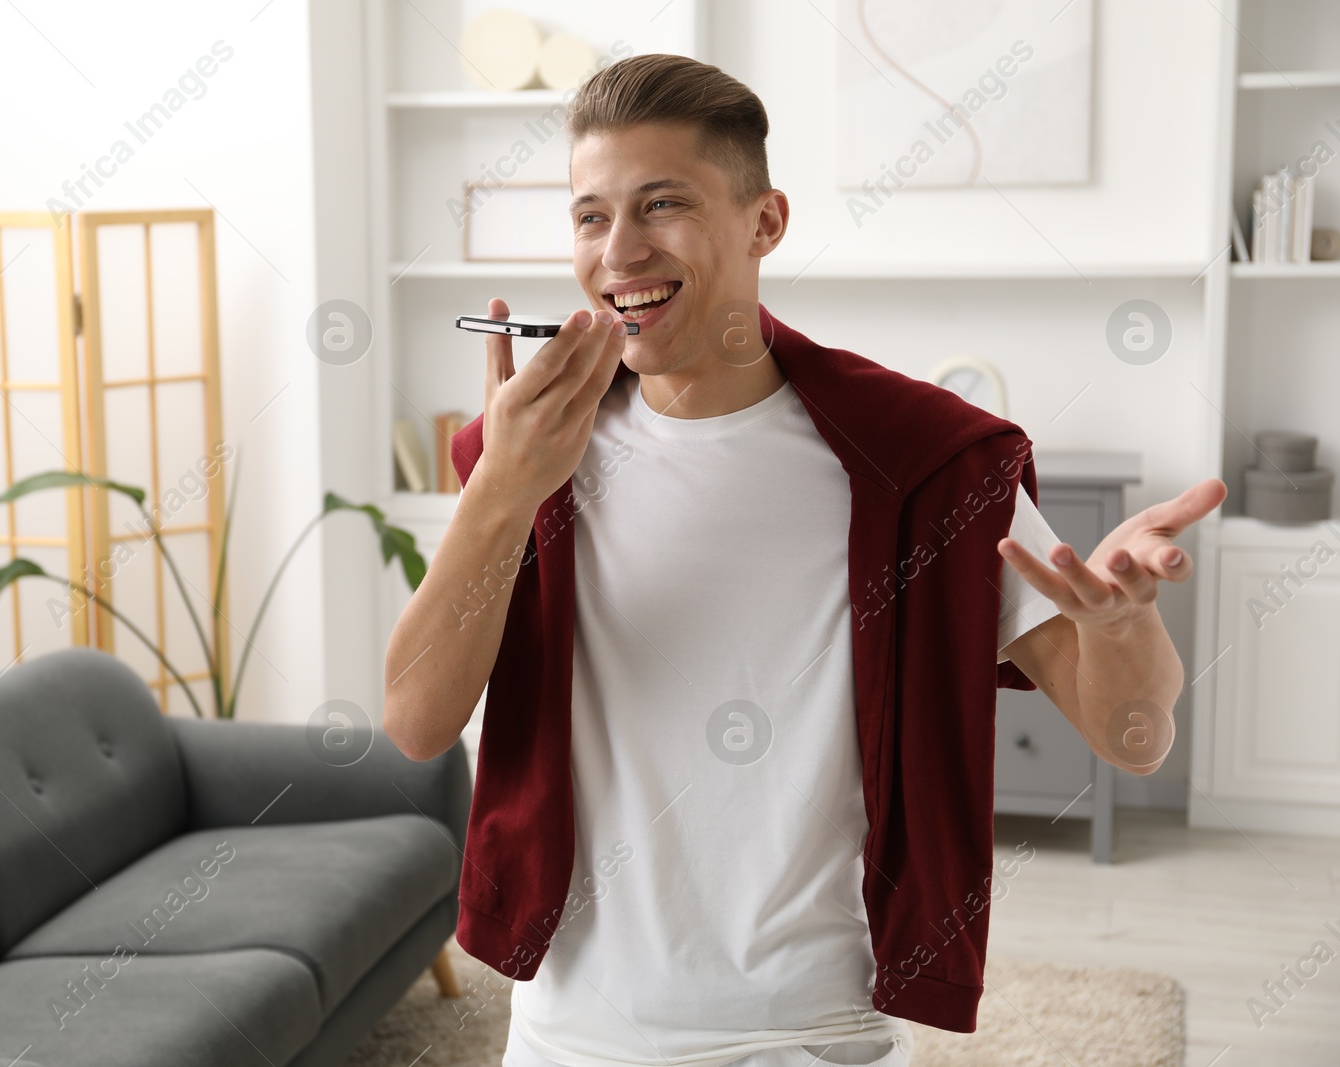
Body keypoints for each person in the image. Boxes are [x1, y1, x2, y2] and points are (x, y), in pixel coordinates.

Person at [383, 53, 1225, 1067]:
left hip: (817, 1034)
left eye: (662, 205)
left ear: (764, 222)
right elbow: (415, 722)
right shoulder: (525, 455)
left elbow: (1133, 737)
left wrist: (1123, 625)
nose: (619, 252)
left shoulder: (923, 466)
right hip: (570, 1035)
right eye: (589, 215)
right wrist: (503, 491)